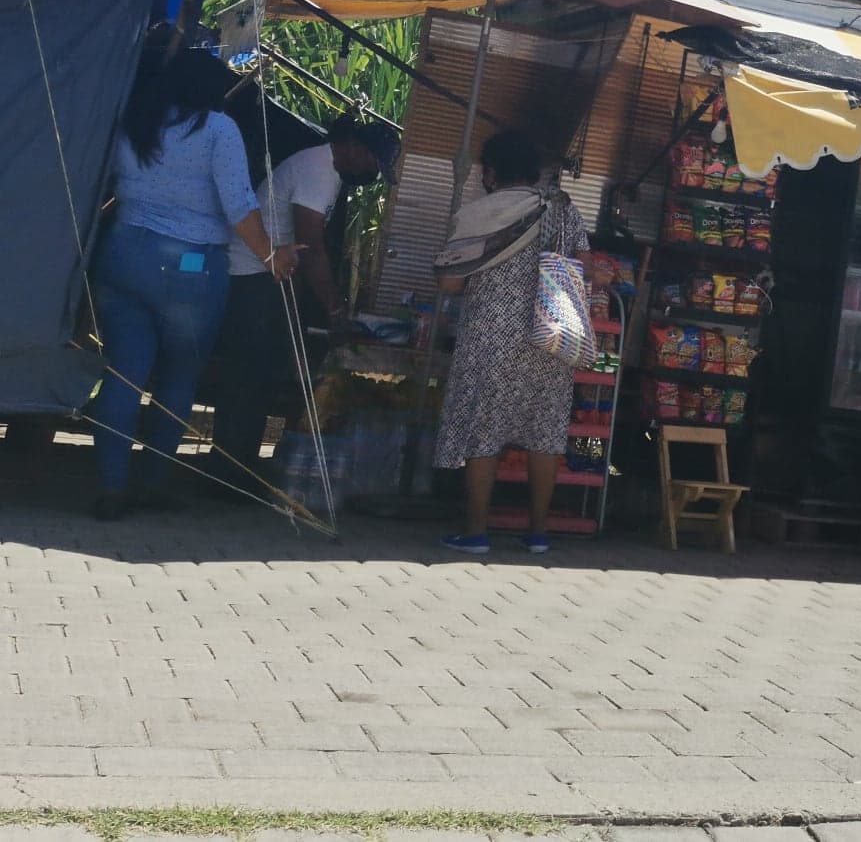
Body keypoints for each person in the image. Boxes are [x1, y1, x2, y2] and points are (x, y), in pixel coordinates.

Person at [90, 47, 296, 520]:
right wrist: (271, 257)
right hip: (189, 265)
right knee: (179, 377)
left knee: (122, 374)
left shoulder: (136, 119)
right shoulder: (216, 129)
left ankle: (110, 487)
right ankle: (154, 484)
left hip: (122, 251)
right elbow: (239, 206)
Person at [207, 115, 400, 498]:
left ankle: (236, 467)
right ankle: (228, 475)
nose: (370, 175)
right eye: (371, 166)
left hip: (267, 274)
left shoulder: (321, 169)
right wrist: (334, 307)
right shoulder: (319, 171)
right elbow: (311, 248)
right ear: (355, 149)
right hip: (252, 273)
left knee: (256, 378)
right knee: (249, 378)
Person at [432, 129, 588, 556]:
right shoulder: (563, 210)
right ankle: (538, 534)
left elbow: (448, 282)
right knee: (545, 433)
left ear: (491, 172)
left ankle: (476, 532)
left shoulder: (479, 213)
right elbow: (583, 266)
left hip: (490, 339)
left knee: (484, 429)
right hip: (550, 335)